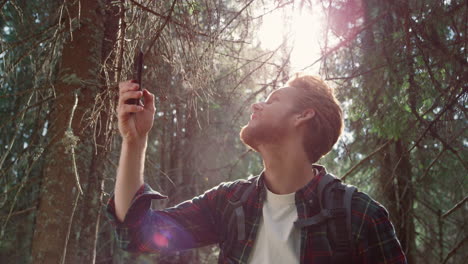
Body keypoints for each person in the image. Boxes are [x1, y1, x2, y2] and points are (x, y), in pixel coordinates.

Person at [106, 74, 407, 263]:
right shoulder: (230, 203)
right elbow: (137, 236)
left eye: (273, 100)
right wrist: (135, 141)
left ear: (303, 115)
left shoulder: (359, 215)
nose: (256, 106)